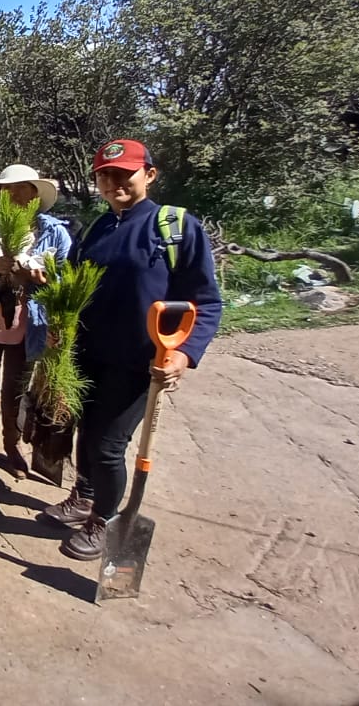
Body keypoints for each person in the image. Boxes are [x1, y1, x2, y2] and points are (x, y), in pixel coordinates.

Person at [42, 139, 223, 560]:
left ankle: (103, 519)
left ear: (149, 175)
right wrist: (59, 325)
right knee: (86, 435)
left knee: (107, 445)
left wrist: (184, 352)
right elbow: (72, 287)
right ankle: (84, 496)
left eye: (123, 173)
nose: (112, 182)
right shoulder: (98, 229)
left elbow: (207, 301)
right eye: (104, 175)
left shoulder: (175, 228)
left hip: (139, 362)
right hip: (88, 355)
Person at [0, 164, 72, 475]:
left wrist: (44, 279)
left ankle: (12, 443)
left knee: (15, 385)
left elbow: (67, 279)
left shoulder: (53, 233)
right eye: (7, 189)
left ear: (35, 193)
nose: (15, 195)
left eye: (22, 188)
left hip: (30, 320)